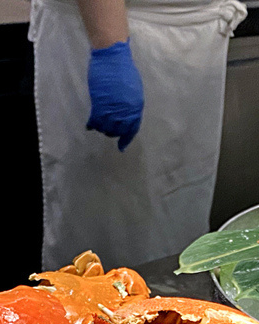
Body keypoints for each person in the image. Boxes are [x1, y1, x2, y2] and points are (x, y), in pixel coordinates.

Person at [30, 0, 247, 269]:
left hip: (189, 42)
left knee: (175, 223)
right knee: (109, 231)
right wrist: (110, 49)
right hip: (119, 34)